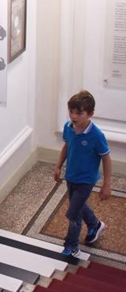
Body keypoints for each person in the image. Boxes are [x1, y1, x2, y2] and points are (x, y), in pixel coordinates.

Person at [53, 90, 111, 257]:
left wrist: (106, 185)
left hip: (86, 180)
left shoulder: (96, 135)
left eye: (79, 113)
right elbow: (66, 146)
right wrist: (58, 166)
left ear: (90, 114)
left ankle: (71, 246)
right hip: (71, 176)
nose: (74, 116)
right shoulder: (68, 127)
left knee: (73, 213)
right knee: (77, 206)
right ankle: (94, 224)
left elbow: (106, 159)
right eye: (71, 111)